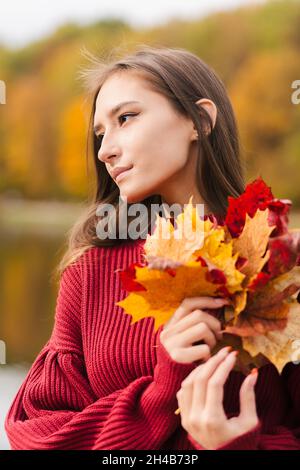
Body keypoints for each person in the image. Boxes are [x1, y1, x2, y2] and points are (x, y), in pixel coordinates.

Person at [5, 45, 300, 450]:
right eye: (100, 133)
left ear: (200, 120)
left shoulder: (280, 263)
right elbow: (37, 433)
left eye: (126, 118)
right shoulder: (90, 270)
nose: (105, 149)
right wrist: (161, 394)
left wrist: (237, 446)